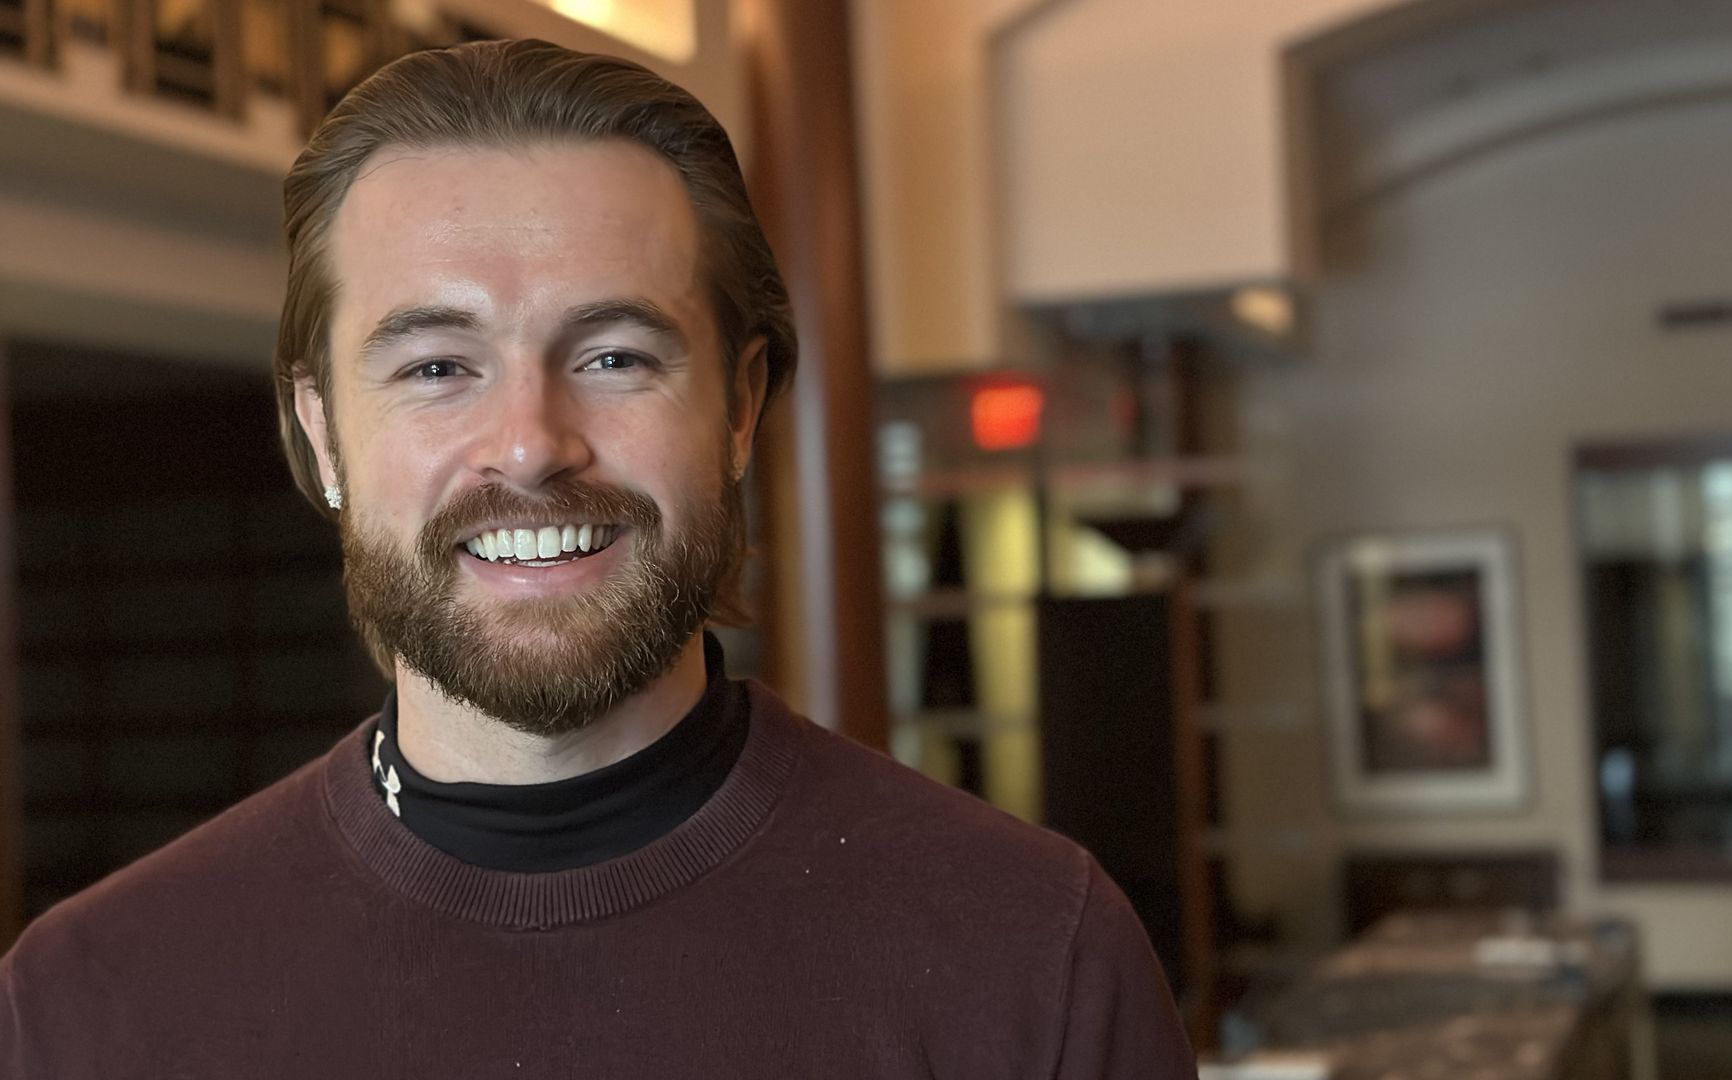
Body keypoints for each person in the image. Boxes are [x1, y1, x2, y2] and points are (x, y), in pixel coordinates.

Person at [0, 38, 1197, 1077]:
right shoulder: (89, 1003)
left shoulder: (1034, 957)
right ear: (322, 435)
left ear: (738, 409)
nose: (530, 442)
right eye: (436, 368)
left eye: (617, 356)